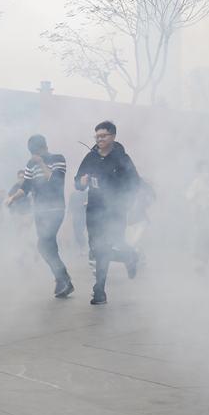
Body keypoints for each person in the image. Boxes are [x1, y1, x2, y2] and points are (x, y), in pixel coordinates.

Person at [74, 120, 141, 305]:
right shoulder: (90, 157)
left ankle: (100, 290)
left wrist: (126, 202)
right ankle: (127, 258)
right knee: (97, 248)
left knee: (110, 245)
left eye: (103, 136)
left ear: (113, 136)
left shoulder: (122, 158)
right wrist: (81, 182)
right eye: (97, 136)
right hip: (94, 209)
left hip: (115, 210)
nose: (99, 139)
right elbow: (77, 181)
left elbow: (135, 183)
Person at [5, 134, 72, 298]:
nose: (34, 155)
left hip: (55, 209)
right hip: (40, 210)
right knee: (47, 245)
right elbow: (26, 187)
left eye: (36, 151)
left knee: (44, 244)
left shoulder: (58, 159)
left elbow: (54, 180)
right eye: (32, 152)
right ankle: (62, 280)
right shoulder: (30, 164)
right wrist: (12, 198)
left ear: (45, 147)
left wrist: (41, 163)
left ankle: (64, 279)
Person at [185, 161, 209, 272]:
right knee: (200, 239)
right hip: (200, 214)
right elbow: (188, 196)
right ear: (200, 172)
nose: (207, 173)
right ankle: (204, 263)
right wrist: (196, 197)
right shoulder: (196, 183)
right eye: (205, 171)